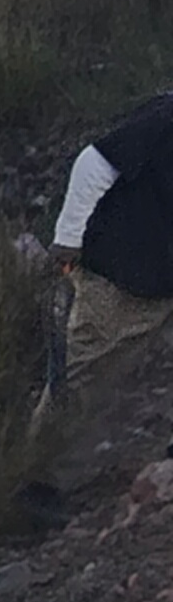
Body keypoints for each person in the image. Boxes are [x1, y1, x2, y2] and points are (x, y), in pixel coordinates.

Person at [50, 88, 173, 386]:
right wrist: (68, 239)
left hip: (161, 279)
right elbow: (95, 163)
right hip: (119, 278)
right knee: (84, 386)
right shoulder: (165, 118)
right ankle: (51, 432)